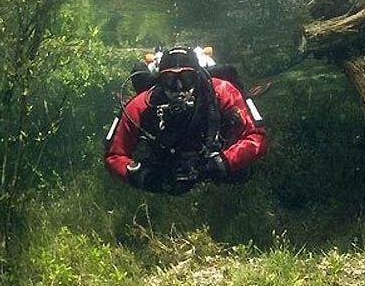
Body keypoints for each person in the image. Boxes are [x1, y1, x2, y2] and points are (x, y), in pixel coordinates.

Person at [104, 46, 266, 195]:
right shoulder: (141, 105)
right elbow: (114, 155)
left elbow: (257, 137)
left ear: (197, 78)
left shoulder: (223, 92)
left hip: (215, 155)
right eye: (170, 80)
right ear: (160, 81)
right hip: (167, 165)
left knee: (243, 174)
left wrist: (218, 164)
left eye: (187, 78)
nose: (179, 87)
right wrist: (147, 178)